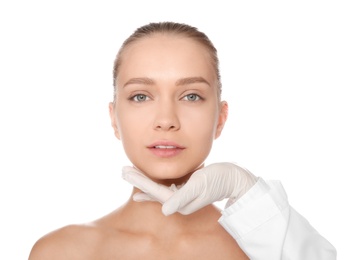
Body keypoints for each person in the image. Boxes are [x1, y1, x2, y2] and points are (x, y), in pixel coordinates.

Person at [29, 21, 336, 259]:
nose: (166, 119)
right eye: (140, 96)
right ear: (113, 118)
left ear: (220, 117)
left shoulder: (263, 248)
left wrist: (247, 194)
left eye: (191, 96)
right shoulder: (62, 252)